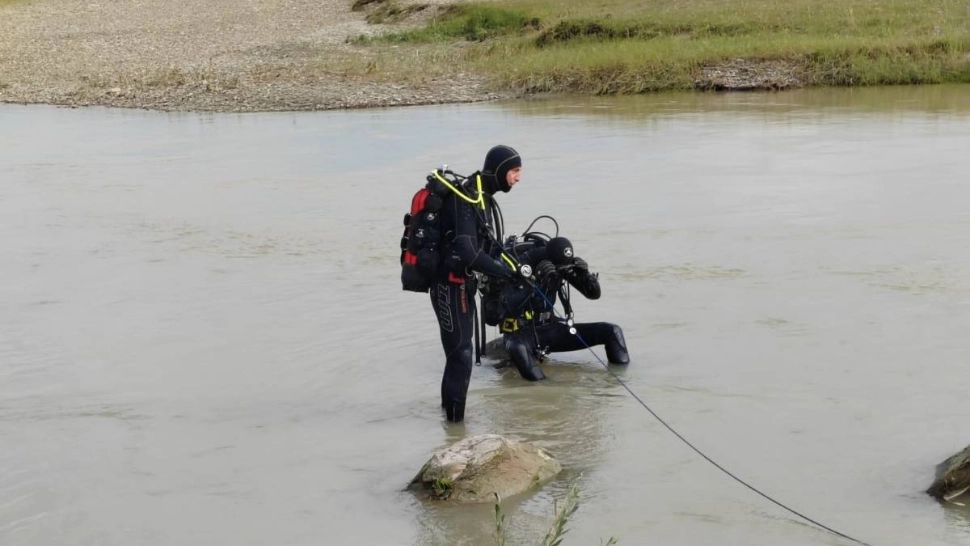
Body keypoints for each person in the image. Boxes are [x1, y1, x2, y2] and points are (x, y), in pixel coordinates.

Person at [431, 145, 522, 422]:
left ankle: (449, 428)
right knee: (461, 353)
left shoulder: (482, 198)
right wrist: (505, 273)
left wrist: (513, 266)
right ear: (500, 169)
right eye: (515, 171)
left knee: (459, 353)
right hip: (448, 284)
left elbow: (488, 248)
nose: (518, 178)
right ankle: (456, 429)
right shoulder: (466, 198)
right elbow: (469, 253)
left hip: (462, 285)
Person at [484, 235, 629, 380]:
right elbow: (498, 313)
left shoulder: (559, 264)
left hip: (551, 328)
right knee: (518, 347)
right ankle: (544, 391)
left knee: (612, 331)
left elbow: (593, 295)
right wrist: (532, 282)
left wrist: (585, 276)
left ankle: (622, 382)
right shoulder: (518, 266)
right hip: (521, 335)